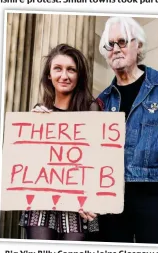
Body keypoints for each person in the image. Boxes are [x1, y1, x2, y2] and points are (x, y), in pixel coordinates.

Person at [96, 16, 158, 245]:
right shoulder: (102, 100)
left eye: (122, 41)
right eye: (110, 44)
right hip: (112, 194)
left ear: (139, 45)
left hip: (154, 190)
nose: (115, 49)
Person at [19, 44, 102, 241]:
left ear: (79, 75)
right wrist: (31, 130)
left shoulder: (92, 110)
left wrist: (91, 198)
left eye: (71, 69)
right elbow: (28, 165)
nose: (64, 75)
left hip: (79, 205)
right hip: (42, 204)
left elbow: (98, 160)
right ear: (49, 75)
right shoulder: (40, 111)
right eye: (58, 68)